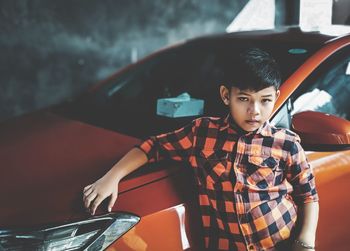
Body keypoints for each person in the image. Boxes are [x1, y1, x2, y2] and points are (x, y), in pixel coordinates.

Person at [83, 48, 319, 251]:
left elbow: (308, 196)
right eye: (244, 99)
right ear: (226, 96)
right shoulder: (201, 132)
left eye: (265, 100)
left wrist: (305, 242)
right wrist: (112, 177)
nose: (255, 111)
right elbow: (154, 146)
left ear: (276, 97)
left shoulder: (286, 143)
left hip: (280, 243)